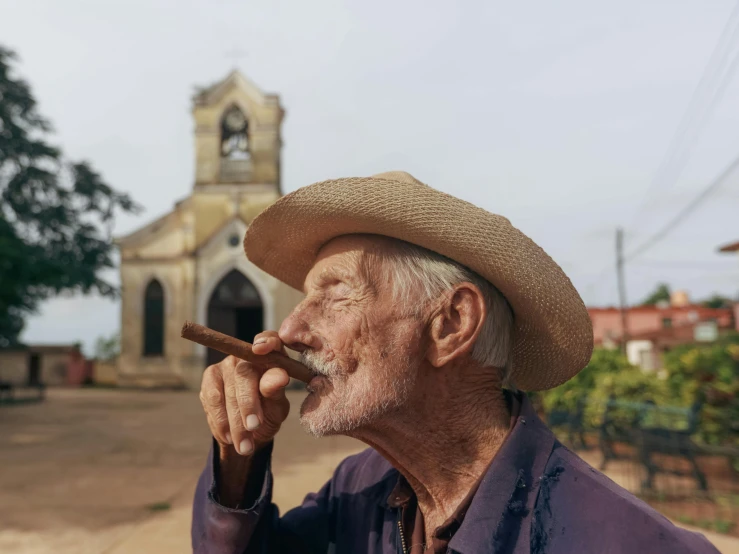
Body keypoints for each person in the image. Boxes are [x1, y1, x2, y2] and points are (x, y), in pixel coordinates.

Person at [192, 172, 717, 553]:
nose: (289, 332)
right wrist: (237, 453)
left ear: (451, 324)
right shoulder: (359, 488)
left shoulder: (626, 543)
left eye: (335, 295)